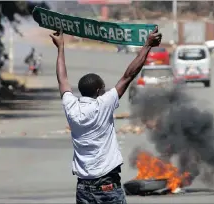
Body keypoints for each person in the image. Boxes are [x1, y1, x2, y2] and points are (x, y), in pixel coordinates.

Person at [49, 27, 162, 204]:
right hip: (108, 187)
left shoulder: (71, 107)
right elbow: (128, 75)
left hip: (83, 189)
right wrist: (147, 45)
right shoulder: (104, 104)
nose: (104, 91)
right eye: (103, 89)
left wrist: (60, 48)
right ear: (98, 91)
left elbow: (62, 80)